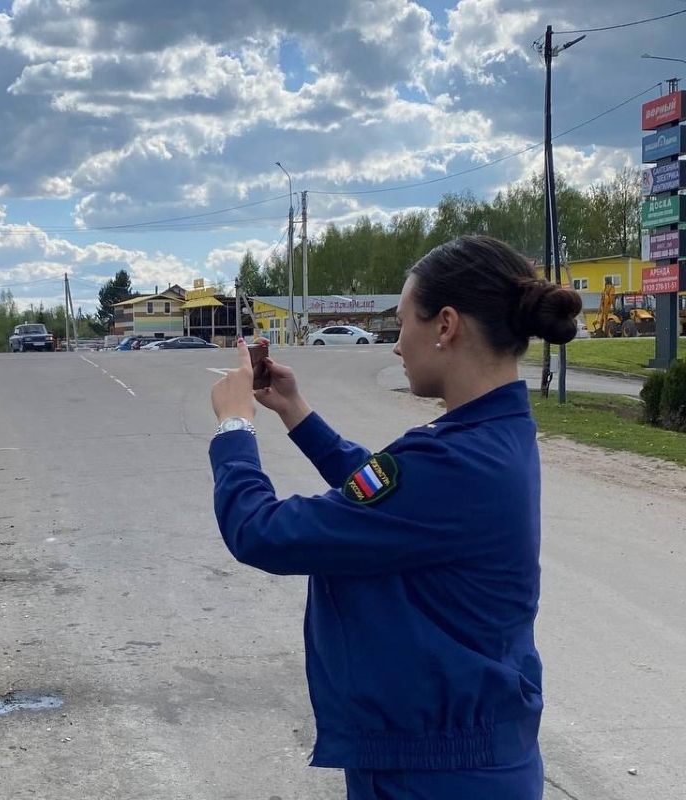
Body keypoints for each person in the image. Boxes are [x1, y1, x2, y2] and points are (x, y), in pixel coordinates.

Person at [207, 235, 581, 799]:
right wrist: (297, 413)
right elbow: (387, 495)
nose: (396, 344)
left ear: (446, 325)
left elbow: (261, 534)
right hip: (454, 756)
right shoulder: (486, 435)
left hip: (438, 775)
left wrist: (234, 427)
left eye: (403, 322)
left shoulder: (455, 460)